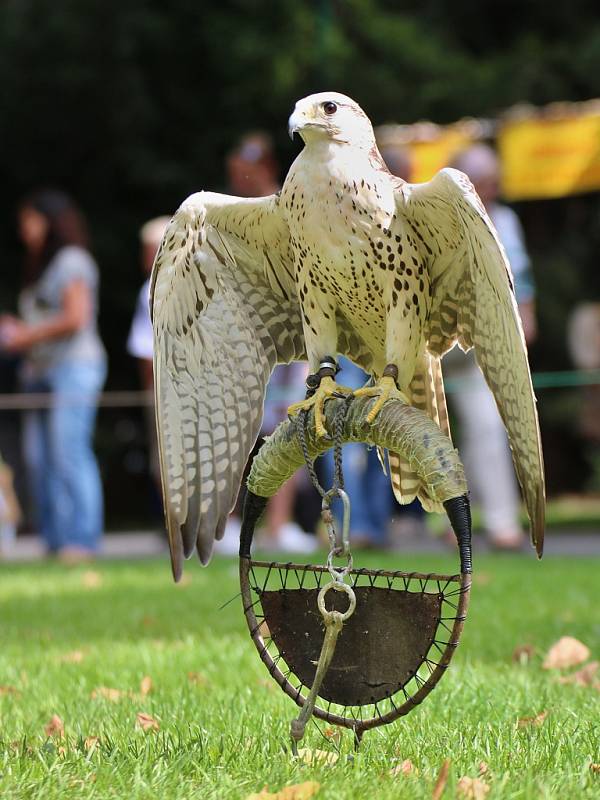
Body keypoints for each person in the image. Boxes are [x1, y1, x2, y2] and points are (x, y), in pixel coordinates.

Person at [0, 190, 107, 562]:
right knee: (38, 458)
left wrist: (24, 335)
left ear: (49, 220)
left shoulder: (71, 259)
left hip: (74, 368)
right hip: (39, 372)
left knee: (69, 453)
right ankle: (55, 541)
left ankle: (83, 541)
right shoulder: (40, 266)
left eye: (29, 220)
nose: (23, 229)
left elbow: (75, 318)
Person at [446, 144, 537, 550]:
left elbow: (521, 274)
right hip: (435, 342)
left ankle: (500, 524)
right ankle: (452, 524)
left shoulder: (504, 219)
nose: (491, 189)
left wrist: (525, 321)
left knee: (486, 428)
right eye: (484, 182)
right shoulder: (442, 216)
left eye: (493, 182)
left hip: (482, 342)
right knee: (430, 432)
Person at [127, 216, 170, 493]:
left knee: (166, 460)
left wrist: (151, 394)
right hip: (179, 390)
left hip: (166, 392)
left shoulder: (152, 290)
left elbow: (145, 355)